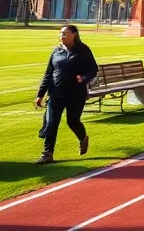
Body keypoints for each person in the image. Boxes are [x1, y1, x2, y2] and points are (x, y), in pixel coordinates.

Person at [34, 25, 98, 164]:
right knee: (51, 123)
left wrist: (83, 78)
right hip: (56, 93)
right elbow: (48, 74)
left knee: (73, 121)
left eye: (65, 33)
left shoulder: (83, 51)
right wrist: (40, 94)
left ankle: (83, 138)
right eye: (60, 33)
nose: (61, 35)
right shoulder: (56, 52)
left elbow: (93, 69)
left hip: (76, 94)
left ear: (74, 35)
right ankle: (47, 154)